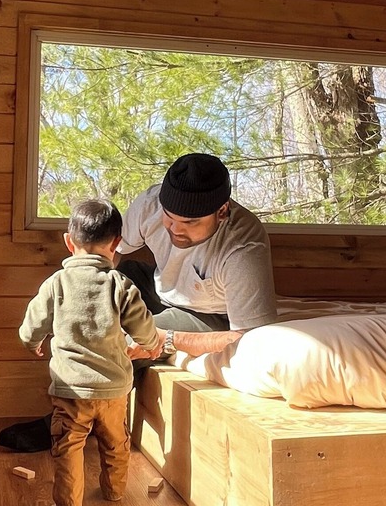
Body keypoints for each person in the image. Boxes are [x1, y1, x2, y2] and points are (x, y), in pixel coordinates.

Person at [18, 198, 163, 506]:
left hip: (71, 392)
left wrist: (31, 341)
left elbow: (32, 323)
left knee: (68, 446)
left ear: (70, 243)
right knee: (116, 443)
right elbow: (143, 325)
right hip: (114, 390)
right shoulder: (120, 285)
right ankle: (114, 490)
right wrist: (151, 345)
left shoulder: (56, 284)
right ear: (116, 245)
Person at [119, 153, 280, 361]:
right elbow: (111, 249)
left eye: (190, 222)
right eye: (169, 216)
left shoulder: (243, 247)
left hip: (207, 314)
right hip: (159, 288)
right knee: (108, 283)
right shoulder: (150, 204)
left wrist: (169, 339)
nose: (175, 229)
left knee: (125, 344)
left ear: (222, 211)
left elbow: (251, 338)